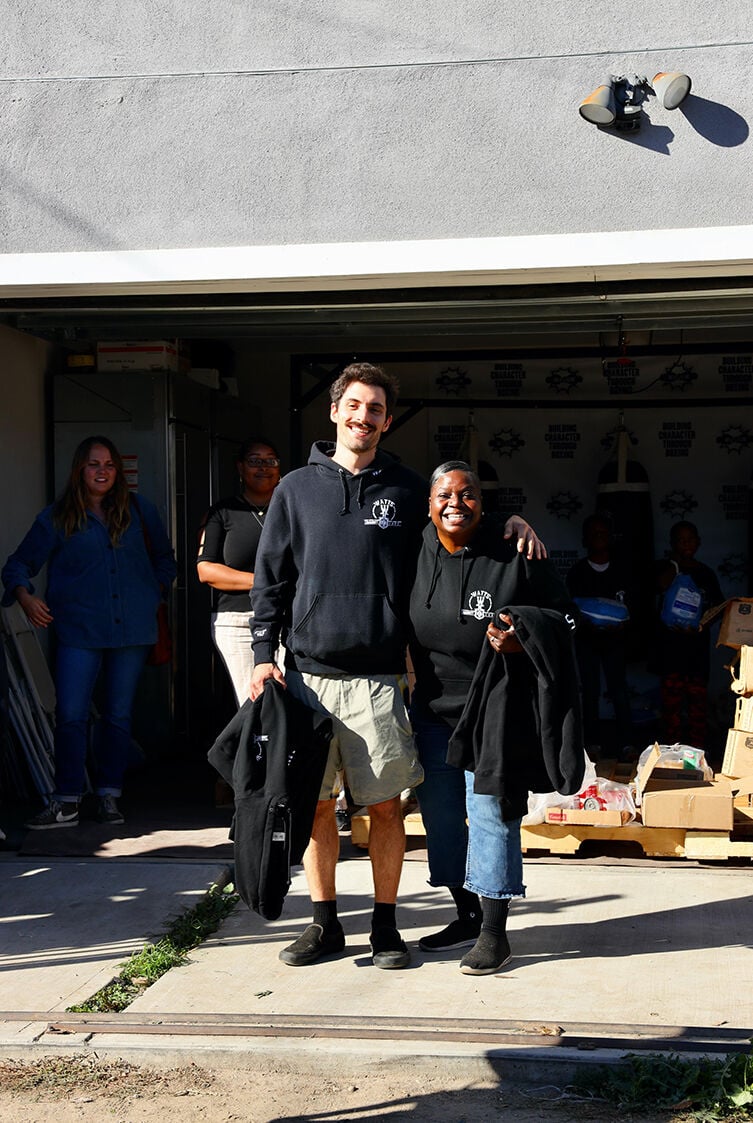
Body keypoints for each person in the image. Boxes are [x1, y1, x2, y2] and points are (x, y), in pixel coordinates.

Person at [249, 363, 543, 971]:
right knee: (314, 808)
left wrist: (510, 521)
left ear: (387, 420)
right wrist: (260, 656)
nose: (364, 417)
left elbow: (457, 520)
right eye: (354, 406)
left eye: (376, 409)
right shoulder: (295, 489)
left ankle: (386, 927)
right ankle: (325, 922)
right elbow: (270, 580)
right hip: (305, 674)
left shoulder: (408, 489)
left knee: (385, 809)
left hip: (380, 679)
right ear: (334, 411)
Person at [409, 461, 582, 974]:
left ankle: (494, 931)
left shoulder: (516, 551)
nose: (455, 504)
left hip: (494, 708)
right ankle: (465, 913)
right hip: (433, 711)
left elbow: (567, 617)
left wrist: (522, 636)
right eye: (445, 495)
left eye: (468, 495)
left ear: (484, 505)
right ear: (429, 503)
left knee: (490, 815)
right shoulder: (412, 549)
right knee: (440, 817)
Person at [1, 435, 176, 828]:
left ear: (118, 471)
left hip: (130, 631)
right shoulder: (58, 516)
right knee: (72, 714)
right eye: (94, 464)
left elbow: (165, 559)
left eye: (109, 464)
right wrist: (25, 597)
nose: (102, 471)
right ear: (80, 469)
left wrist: (152, 592)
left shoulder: (138, 510)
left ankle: (109, 797)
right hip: (78, 630)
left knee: (117, 715)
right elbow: (17, 565)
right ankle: (66, 800)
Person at [197, 439, 282, 706]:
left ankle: (285, 750)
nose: (263, 467)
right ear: (240, 468)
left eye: (271, 461)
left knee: (291, 701)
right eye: (255, 461)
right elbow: (206, 570)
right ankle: (255, 750)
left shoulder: (292, 509)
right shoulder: (222, 512)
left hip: (289, 619)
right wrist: (263, 582)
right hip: (237, 622)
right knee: (254, 703)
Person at [566, 513, 633, 757]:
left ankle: (627, 743)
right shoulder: (577, 572)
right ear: (585, 539)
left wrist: (623, 625)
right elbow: (570, 609)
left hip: (616, 641)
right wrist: (586, 625)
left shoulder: (623, 570)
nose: (599, 538)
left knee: (619, 691)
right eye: (594, 534)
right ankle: (591, 742)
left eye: (603, 533)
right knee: (590, 691)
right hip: (588, 640)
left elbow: (633, 608)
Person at [655, 521, 723, 748]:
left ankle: (697, 755)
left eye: (690, 539)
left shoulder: (705, 573)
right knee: (671, 708)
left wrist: (702, 625)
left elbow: (719, 608)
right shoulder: (665, 569)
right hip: (671, 651)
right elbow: (659, 587)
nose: (686, 544)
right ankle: (670, 755)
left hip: (696, 653)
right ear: (673, 543)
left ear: (699, 542)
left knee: (697, 707)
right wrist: (675, 564)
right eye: (680, 540)